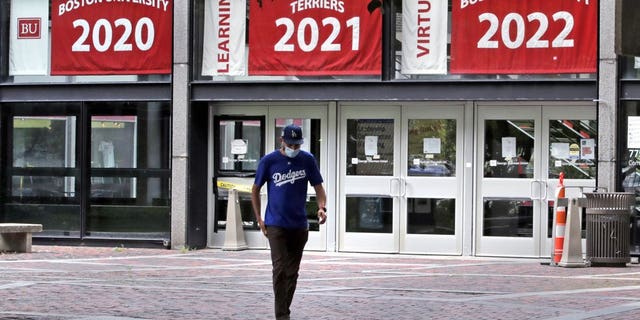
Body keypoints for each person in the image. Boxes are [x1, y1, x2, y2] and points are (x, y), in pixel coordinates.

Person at [251, 124, 327, 320]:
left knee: (292, 272)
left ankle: (284, 310)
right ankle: (282, 315)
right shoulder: (269, 161)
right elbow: (255, 189)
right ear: (282, 141)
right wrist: (259, 217)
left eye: (297, 145)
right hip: (275, 224)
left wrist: (322, 207)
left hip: (299, 225)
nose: (294, 149)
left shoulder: (307, 160)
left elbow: (319, 187)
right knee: (280, 269)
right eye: (290, 144)